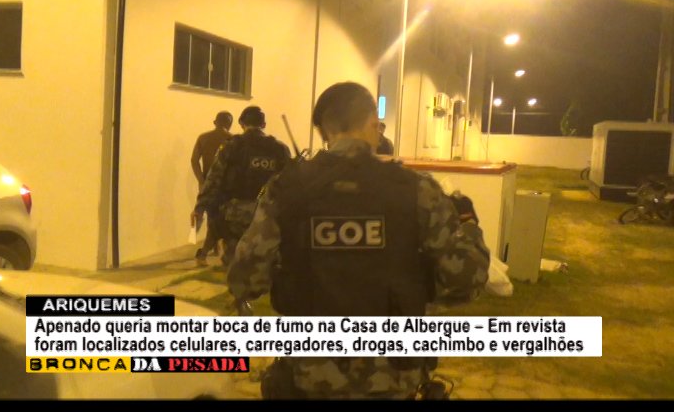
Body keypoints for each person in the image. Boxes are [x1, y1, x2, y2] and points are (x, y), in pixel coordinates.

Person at [227, 82, 490, 400]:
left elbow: (245, 280)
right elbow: (464, 280)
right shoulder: (416, 190)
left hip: (310, 377)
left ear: (324, 131)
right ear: (372, 124)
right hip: (393, 378)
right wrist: (469, 227)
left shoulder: (286, 189)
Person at [194, 106, 291, 267]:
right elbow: (289, 184)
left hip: (235, 217)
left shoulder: (231, 146)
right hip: (267, 216)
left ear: (241, 123)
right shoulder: (280, 149)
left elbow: (213, 179)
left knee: (235, 265)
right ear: (264, 124)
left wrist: (200, 208)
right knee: (264, 265)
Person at [191, 111, 234, 266]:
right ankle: (213, 249)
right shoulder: (233, 140)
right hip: (225, 186)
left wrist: (201, 180)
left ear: (215, 122)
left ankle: (205, 244)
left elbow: (194, 160)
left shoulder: (203, 138)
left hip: (207, 183)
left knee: (209, 214)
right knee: (220, 218)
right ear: (230, 124)